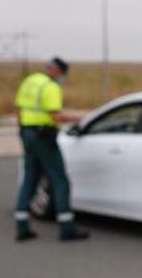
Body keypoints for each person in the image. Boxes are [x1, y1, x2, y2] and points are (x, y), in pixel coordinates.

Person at [12, 57, 89, 242]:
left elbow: (19, 110)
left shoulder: (30, 81)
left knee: (30, 178)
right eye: (63, 74)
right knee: (60, 180)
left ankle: (22, 227)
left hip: (26, 133)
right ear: (57, 71)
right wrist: (78, 119)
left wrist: (25, 131)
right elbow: (56, 116)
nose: (62, 78)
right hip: (44, 137)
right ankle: (66, 227)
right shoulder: (51, 87)